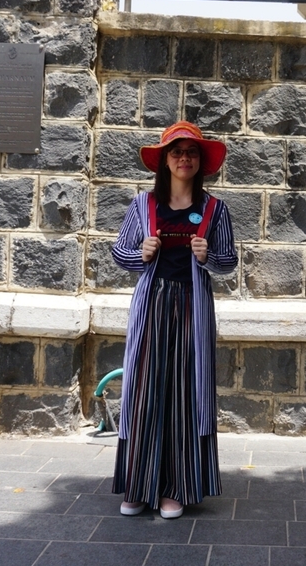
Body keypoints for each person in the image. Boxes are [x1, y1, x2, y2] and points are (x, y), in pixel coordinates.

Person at [110, 121, 237, 519]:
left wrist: (207, 256)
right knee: (145, 392)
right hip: (151, 308)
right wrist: (141, 253)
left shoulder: (216, 210)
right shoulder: (142, 206)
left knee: (184, 394)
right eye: (177, 152)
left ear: (201, 162)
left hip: (192, 310)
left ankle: (175, 489)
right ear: (164, 160)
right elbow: (119, 253)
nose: (185, 158)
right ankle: (137, 485)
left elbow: (229, 261)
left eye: (192, 152)